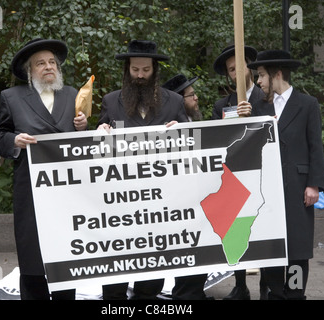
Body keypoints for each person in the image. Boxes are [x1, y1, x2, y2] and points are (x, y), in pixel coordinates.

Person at [0, 38, 87, 300]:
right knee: (33, 258)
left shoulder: (72, 95)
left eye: (51, 62)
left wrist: (83, 127)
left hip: (68, 191)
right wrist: (13, 140)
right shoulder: (11, 97)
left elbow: (84, 144)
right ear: (29, 70)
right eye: (40, 63)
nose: (48, 67)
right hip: (31, 191)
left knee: (66, 256)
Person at [97, 40, 188, 300]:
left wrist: (183, 133)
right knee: (115, 274)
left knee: (150, 277)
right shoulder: (111, 101)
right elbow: (95, 152)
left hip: (161, 205)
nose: (140, 76)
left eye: (145, 70)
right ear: (127, 70)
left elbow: (194, 149)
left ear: (155, 70)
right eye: (135, 70)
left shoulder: (175, 102)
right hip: (119, 204)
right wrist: (100, 132)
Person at [248, 50, 324, 299]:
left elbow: (316, 146)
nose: (258, 81)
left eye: (261, 75)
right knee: (271, 247)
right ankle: (274, 293)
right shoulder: (257, 107)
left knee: (297, 248)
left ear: (277, 74)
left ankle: (295, 294)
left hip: (297, 188)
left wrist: (314, 184)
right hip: (266, 192)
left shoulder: (307, 104)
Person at [212, 44, 268, 300]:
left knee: (266, 228)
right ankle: (240, 283)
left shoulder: (266, 97)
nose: (236, 73)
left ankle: (269, 283)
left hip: (264, 173)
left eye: (240, 66)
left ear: (251, 67)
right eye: (231, 70)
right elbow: (216, 140)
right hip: (235, 176)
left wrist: (253, 113)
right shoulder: (222, 105)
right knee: (238, 229)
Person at [161, 74, 210, 300]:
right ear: (180, 101)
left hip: (201, 200)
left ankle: (195, 292)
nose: (196, 98)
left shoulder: (191, 123)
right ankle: (186, 296)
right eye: (191, 96)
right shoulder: (169, 129)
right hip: (182, 204)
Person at [211, 45, 260, 120]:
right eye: (232, 69)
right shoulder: (220, 107)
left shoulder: (269, 98)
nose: (238, 71)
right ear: (228, 75)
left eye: (240, 66)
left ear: (248, 65)